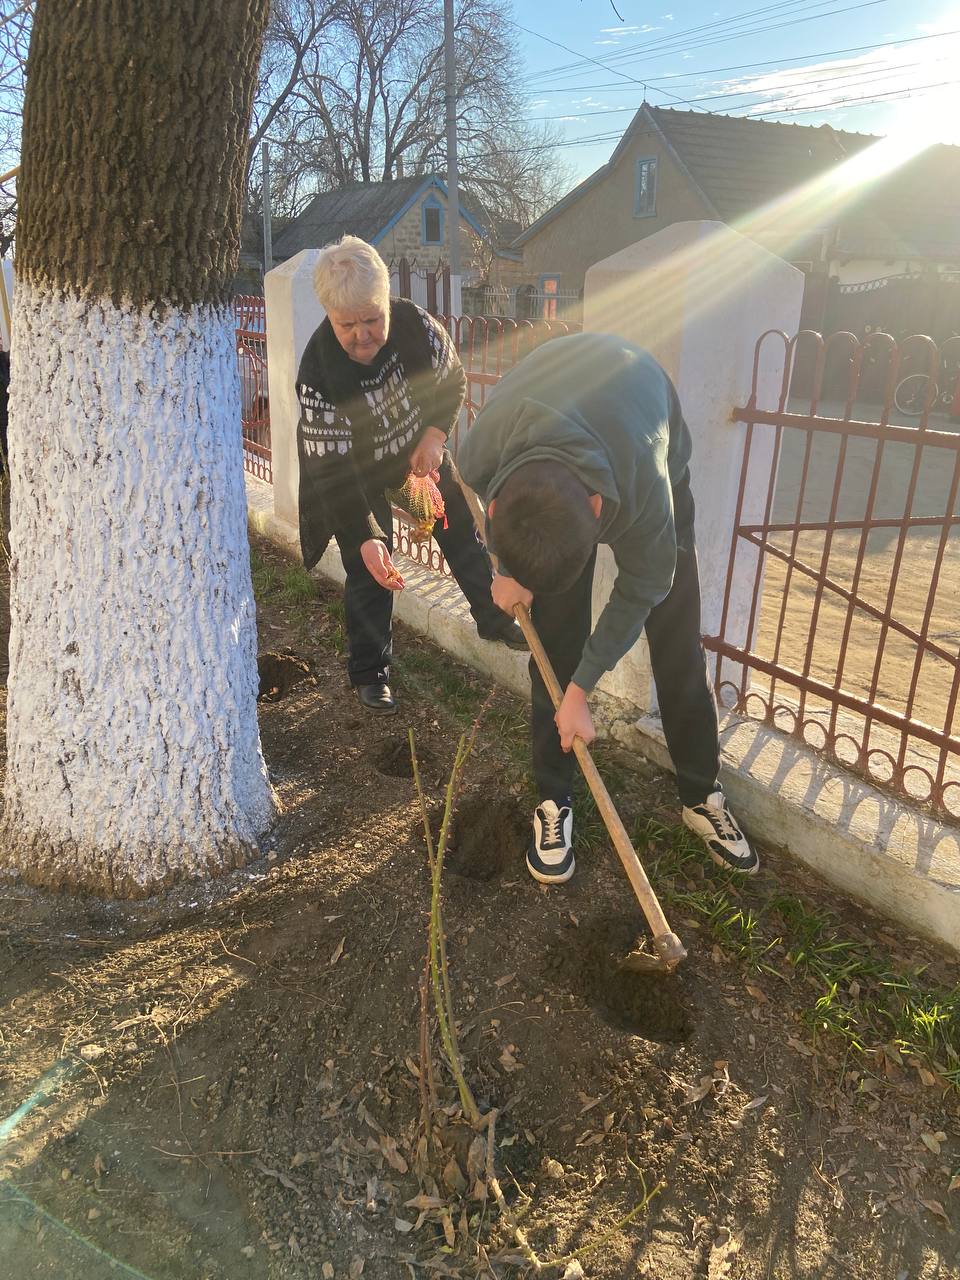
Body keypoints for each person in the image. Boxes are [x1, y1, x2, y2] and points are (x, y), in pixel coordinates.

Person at [457, 331, 758, 883]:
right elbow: (477, 500)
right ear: (500, 500)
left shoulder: (647, 493)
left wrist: (581, 692)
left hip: (639, 419)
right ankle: (554, 800)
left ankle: (700, 795)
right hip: (553, 422)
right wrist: (506, 572)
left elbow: (643, 587)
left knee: (675, 638)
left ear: (597, 511)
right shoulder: (481, 450)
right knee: (554, 639)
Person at [295, 236, 525, 714]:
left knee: (457, 526)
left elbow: (452, 381)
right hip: (353, 473)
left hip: (413, 457)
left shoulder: (417, 326)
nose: (362, 335)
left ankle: (490, 616)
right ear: (329, 317)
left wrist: (435, 435)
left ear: (386, 302)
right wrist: (364, 534)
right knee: (371, 566)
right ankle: (370, 670)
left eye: (372, 319)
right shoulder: (318, 371)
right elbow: (331, 469)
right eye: (347, 325)